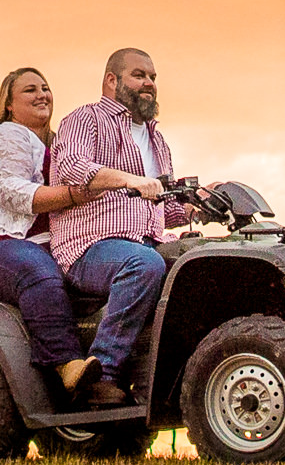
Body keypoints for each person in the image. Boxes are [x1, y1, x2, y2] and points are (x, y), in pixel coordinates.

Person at [0, 66, 156, 402]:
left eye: (45, 88)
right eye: (30, 90)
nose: (42, 95)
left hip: (44, 244)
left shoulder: (59, 141)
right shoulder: (5, 137)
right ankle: (67, 365)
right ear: (9, 105)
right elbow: (13, 192)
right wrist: (75, 194)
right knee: (37, 271)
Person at [46, 47, 190, 409]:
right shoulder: (86, 119)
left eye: (153, 77)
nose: (149, 84)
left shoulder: (158, 140)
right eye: (139, 75)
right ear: (112, 80)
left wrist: (200, 201)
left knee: (198, 261)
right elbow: (72, 167)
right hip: (89, 246)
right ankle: (102, 375)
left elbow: (166, 209)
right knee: (143, 265)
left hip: (147, 241)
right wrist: (130, 179)